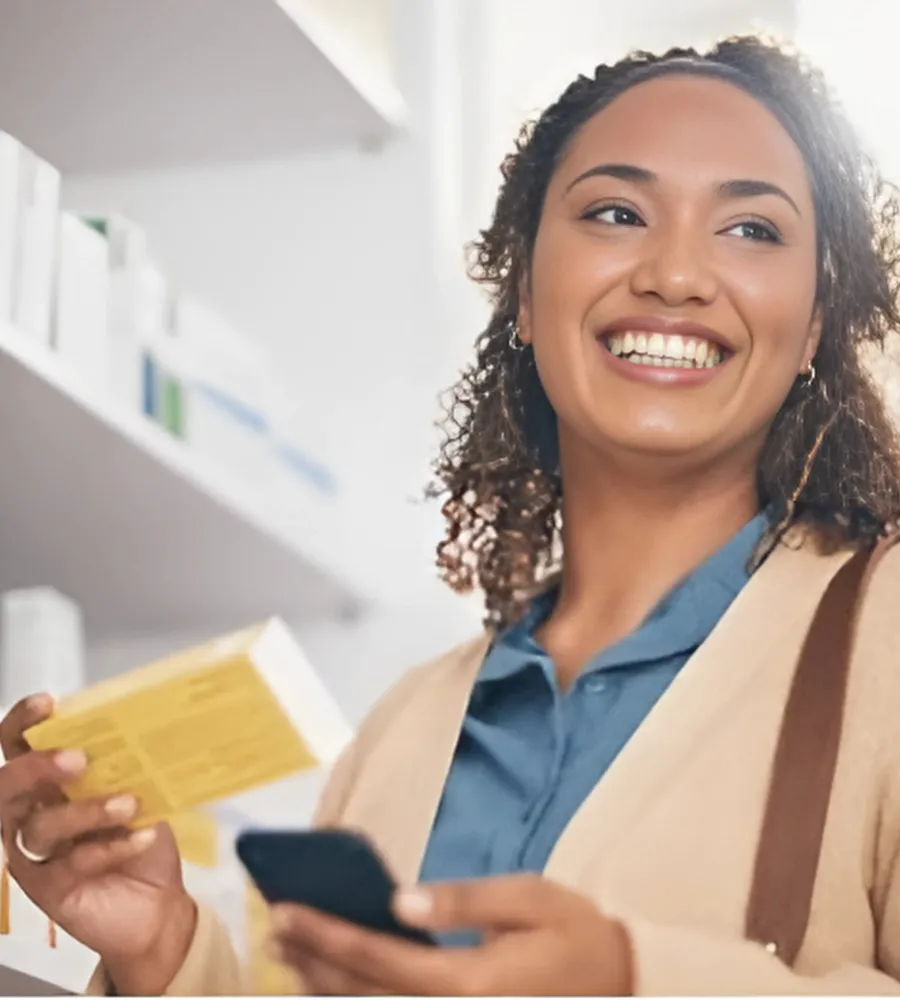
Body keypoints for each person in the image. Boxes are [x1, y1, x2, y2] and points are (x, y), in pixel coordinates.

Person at [3, 34, 900, 996]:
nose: (675, 273)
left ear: (812, 322)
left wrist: (627, 979)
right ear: (523, 294)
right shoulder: (403, 733)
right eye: (615, 212)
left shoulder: (880, 633)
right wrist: (163, 951)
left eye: (752, 229)